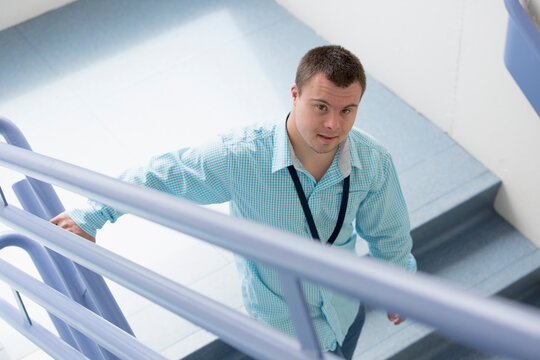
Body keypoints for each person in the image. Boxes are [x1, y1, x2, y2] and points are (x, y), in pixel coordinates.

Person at [51, 45, 416, 360]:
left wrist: (399, 288)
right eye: (320, 107)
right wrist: (91, 215)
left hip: (343, 312)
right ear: (294, 94)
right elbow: (161, 174)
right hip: (279, 330)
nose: (333, 124)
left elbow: (389, 234)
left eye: (347, 110)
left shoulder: (373, 161)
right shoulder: (241, 156)